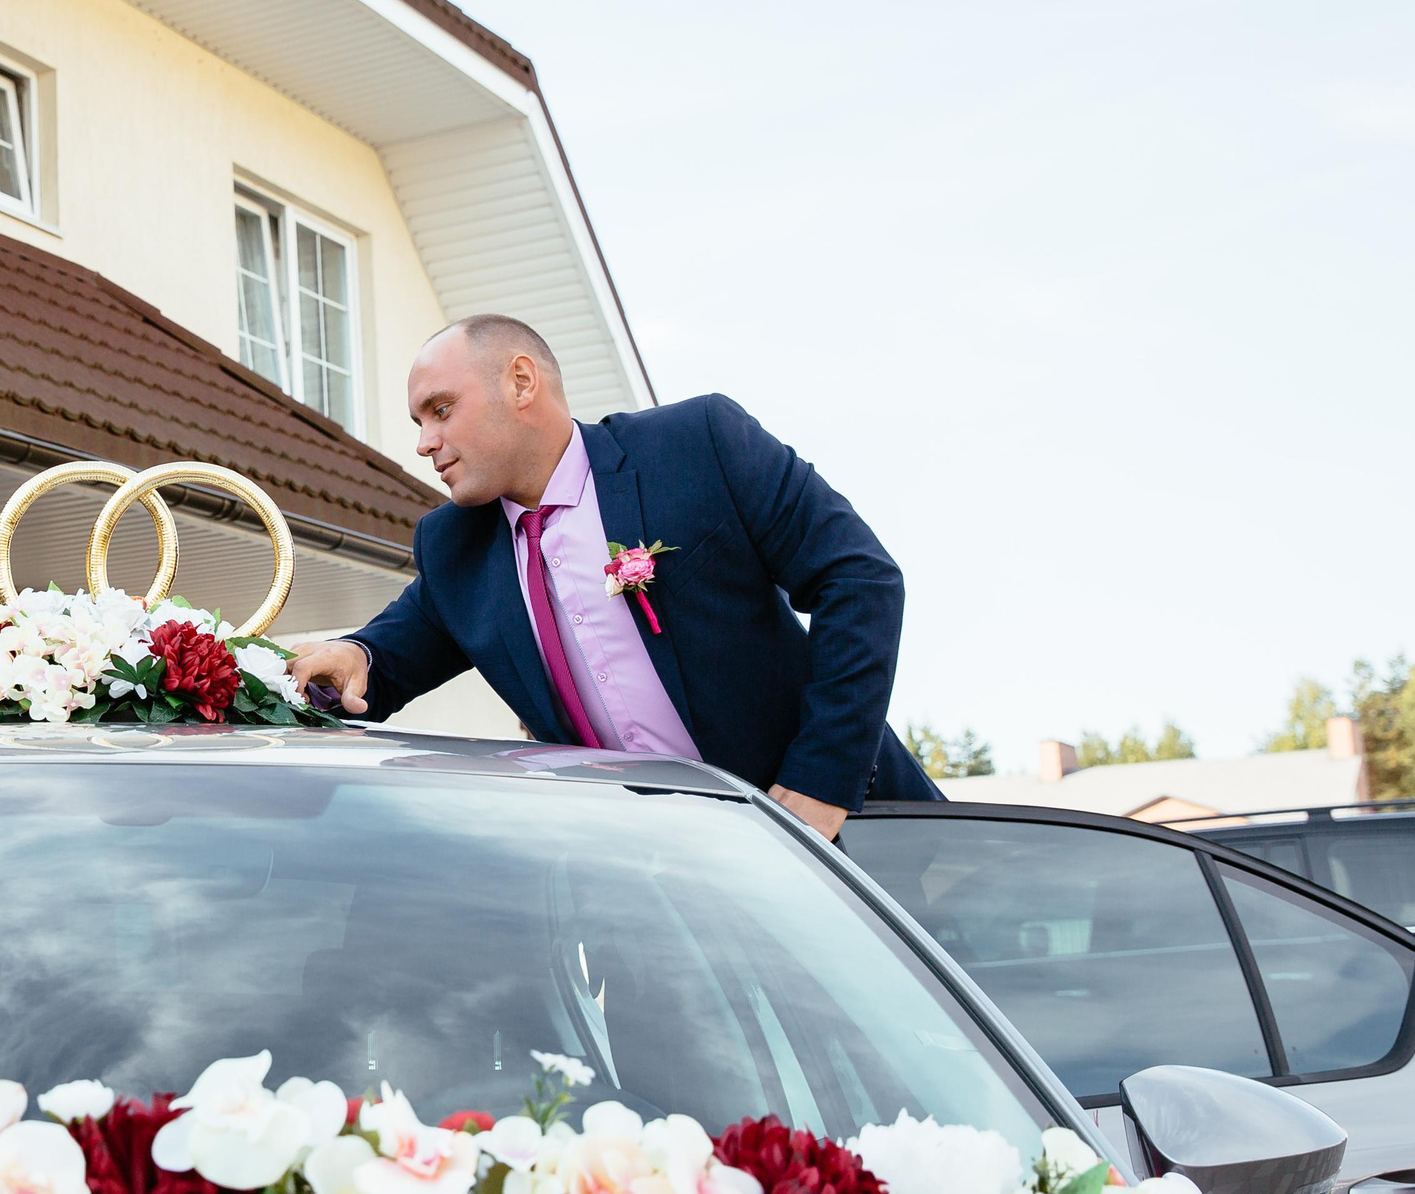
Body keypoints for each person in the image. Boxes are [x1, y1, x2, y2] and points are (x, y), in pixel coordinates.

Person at [287, 315, 939, 838]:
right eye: (419, 422)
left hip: (854, 842)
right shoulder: (453, 546)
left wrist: (822, 783)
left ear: (521, 382)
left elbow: (860, 579)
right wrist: (354, 655)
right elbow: (380, 661)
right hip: (664, 889)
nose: (424, 441)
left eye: (441, 409)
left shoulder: (698, 446)